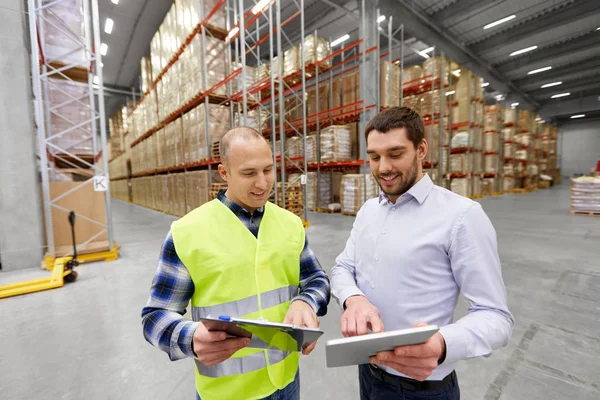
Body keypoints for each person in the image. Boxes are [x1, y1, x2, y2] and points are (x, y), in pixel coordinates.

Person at [330, 107, 514, 400]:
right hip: (369, 373)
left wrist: (443, 343)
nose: (384, 167)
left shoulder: (461, 216)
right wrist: (355, 299)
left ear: (421, 149)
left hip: (422, 389)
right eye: (375, 157)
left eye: (396, 153)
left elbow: (496, 317)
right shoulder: (367, 212)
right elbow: (342, 268)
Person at [141, 127, 331, 400]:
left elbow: (316, 279)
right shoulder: (187, 232)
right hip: (226, 393)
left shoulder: (289, 223)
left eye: (268, 170)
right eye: (249, 173)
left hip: (286, 382)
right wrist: (190, 337)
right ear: (224, 172)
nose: (263, 184)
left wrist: (306, 302)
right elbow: (154, 316)